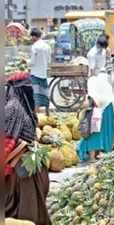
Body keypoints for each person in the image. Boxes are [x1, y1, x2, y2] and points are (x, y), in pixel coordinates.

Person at [5, 72, 52, 225]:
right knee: (33, 206)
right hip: (30, 164)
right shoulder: (25, 107)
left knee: (22, 208)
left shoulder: (13, 107)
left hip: (21, 168)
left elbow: (7, 141)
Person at [77, 69, 114, 162]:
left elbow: (92, 98)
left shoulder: (92, 81)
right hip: (106, 109)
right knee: (104, 132)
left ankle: (93, 156)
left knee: (94, 133)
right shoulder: (105, 82)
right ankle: (103, 152)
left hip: (96, 111)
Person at [29, 28, 51, 116]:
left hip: (35, 74)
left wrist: (26, 62)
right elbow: (49, 60)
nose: (31, 38)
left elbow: (32, 62)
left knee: (36, 95)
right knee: (45, 93)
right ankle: (47, 113)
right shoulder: (47, 46)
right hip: (43, 73)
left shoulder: (34, 47)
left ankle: (35, 115)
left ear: (34, 36)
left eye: (32, 36)